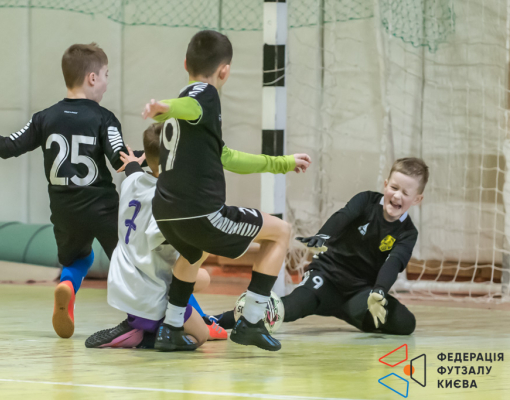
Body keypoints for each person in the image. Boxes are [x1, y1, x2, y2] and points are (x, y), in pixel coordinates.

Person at [142, 30, 311, 351]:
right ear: (225, 71)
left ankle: (171, 328)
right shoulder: (204, 95)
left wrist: (282, 162)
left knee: (194, 252)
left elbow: (228, 157)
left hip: (165, 212)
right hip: (201, 213)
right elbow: (188, 106)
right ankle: (251, 321)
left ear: (185, 63)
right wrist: (164, 108)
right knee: (281, 232)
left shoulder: (190, 108)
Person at [0, 43, 141, 339]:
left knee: (78, 259)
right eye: (106, 75)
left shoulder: (44, 118)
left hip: (64, 211)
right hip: (102, 208)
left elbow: (6, 147)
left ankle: (67, 285)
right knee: (132, 263)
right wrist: (157, 155)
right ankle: (158, 320)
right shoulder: (104, 118)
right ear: (92, 78)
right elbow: (121, 159)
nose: (107, 82)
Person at [86, 122, 311, 349]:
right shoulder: (167, 205)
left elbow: (134, 169)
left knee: (202, 277)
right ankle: (145, 333)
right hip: (147, 293)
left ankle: (153, 321)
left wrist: (134, 162)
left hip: (123, 281)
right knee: (201, 335)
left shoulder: (132, 181)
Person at [211, 158, 428, 336]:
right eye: (394, 188)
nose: (397, 196)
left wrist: (379, 291)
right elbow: (343, 216)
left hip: (359, 292)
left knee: (405, 323)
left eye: (405, 193)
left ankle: (353, 312)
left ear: (417, 199)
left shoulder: (408, 233)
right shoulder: (366, 201)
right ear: (386, 184)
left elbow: (394, 262)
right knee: (285, 309)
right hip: (325, 277)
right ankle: (214, 321)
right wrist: (323, 235)